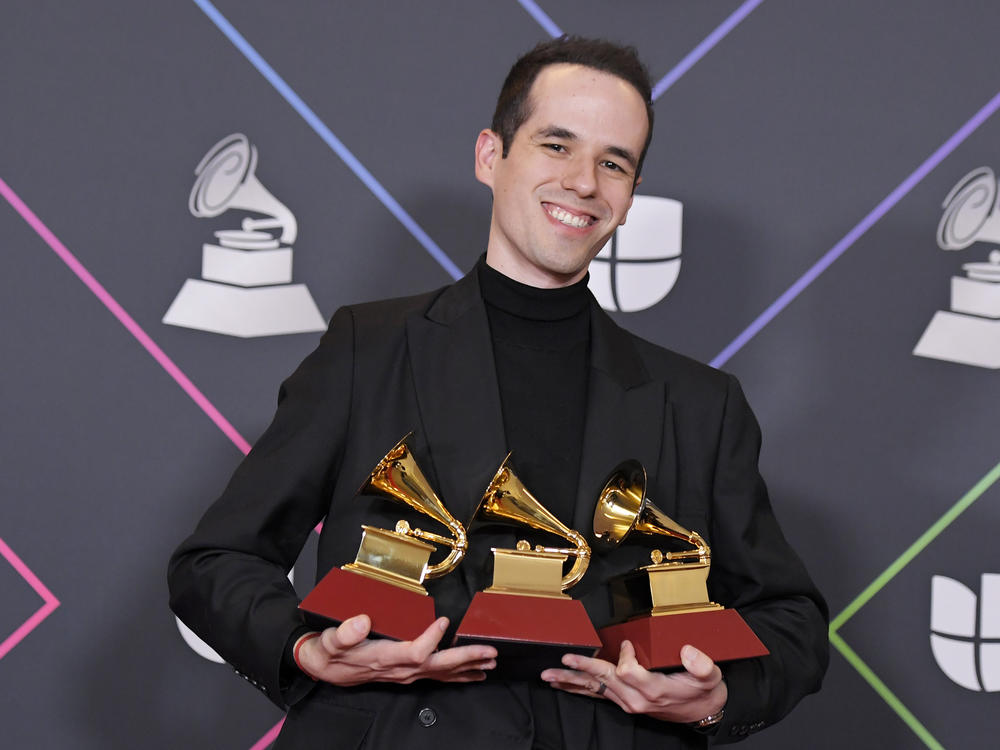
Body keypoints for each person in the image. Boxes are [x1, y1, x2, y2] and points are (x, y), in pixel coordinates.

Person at [168, 36, 828, 749]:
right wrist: (305, 649)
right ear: (490, 156)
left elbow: (792, 621)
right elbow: (215, 562)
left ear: (631, 197)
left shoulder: (702, 404)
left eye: (615, 163)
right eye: (556, 145)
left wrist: (713, 696)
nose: (584, 182)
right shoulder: (369, 349)